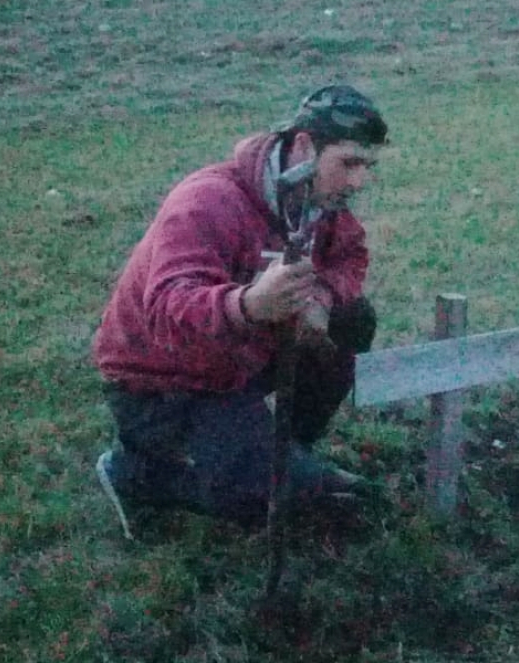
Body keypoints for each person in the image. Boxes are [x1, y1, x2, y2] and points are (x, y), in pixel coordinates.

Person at [92, 84, 388, 538]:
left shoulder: (317, 199)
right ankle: (137, 473)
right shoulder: (209, 201)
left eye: (367, 166)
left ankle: (283, 452)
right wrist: (247, 305)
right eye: (348, 163)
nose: (358, 181)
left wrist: (323, 299)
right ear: (305, 146)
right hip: (165, 379)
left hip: (237, 356)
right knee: (283, 503)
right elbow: (167, 309)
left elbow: (350, 253)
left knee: (354, 319)